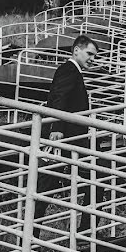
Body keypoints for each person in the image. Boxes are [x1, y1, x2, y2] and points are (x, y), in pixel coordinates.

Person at [35, 35, 98, 238]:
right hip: (64, 139)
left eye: (95, 56)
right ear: (76, 50)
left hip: (71, 140)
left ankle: (85, 230)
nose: (92, 59)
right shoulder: (69, 70)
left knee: (48, 187)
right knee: (47, 187)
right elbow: (58, 98)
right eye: (89, 54)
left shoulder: (73, 72)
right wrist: (56, 127)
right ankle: (85, 231)